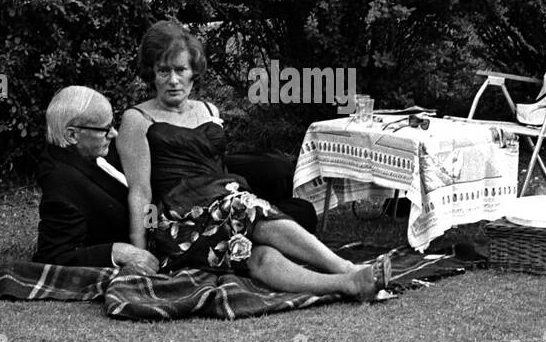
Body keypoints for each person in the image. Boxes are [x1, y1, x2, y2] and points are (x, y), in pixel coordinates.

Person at [116, 21, 391, 299]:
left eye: (180, 70)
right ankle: (347, 267)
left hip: (223, 206)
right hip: (177, 221)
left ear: (193, 72)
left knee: (257, 255)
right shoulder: (137, 120)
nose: (173, 80)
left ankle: (348, 285)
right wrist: (142, 247)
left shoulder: (208, 110)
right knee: (246, 206)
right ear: (152, 73)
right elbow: (141, 191)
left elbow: (217, 169)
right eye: (164, 71)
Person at [33, 85, 160, 274]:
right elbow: (52, 255)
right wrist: (117, 252)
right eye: (105, 129)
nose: (114, 133)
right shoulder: (61, 181)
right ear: (72, 135)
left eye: (112, 125)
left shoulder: (87, 151)